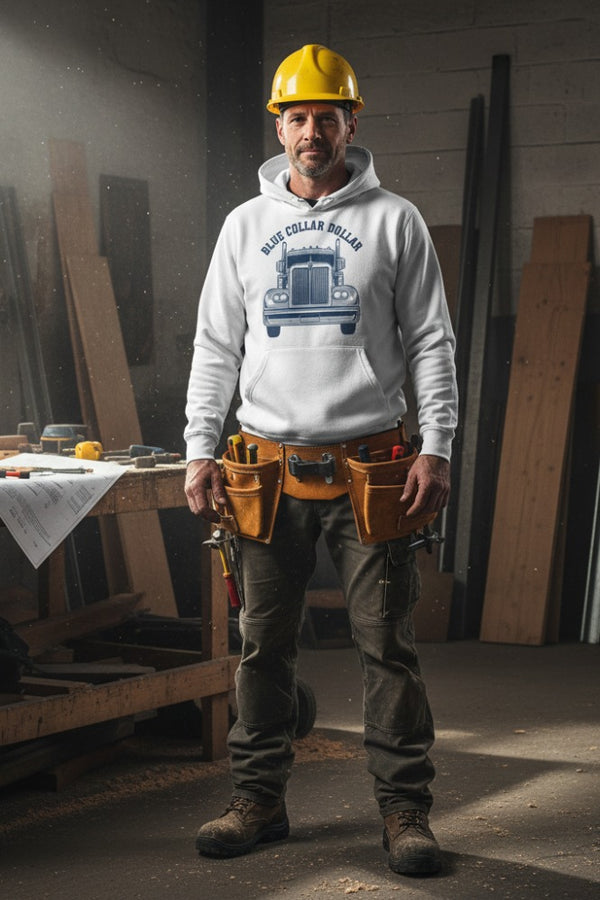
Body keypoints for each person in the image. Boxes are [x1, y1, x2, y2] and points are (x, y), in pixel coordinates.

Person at [184, 44, 458, 877]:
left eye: (325, 116)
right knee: (263, 647)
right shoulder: (244, 226)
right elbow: (213, 348)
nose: (311, 131)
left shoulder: (395, 220)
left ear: (351, 121)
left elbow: (432, 343)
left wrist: (437, 448)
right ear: (280, 124)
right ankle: (257, 801)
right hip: (262, 470)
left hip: (374, 466)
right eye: (297, 116)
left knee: (388, 647)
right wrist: (200, 450)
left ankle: (404, 811)